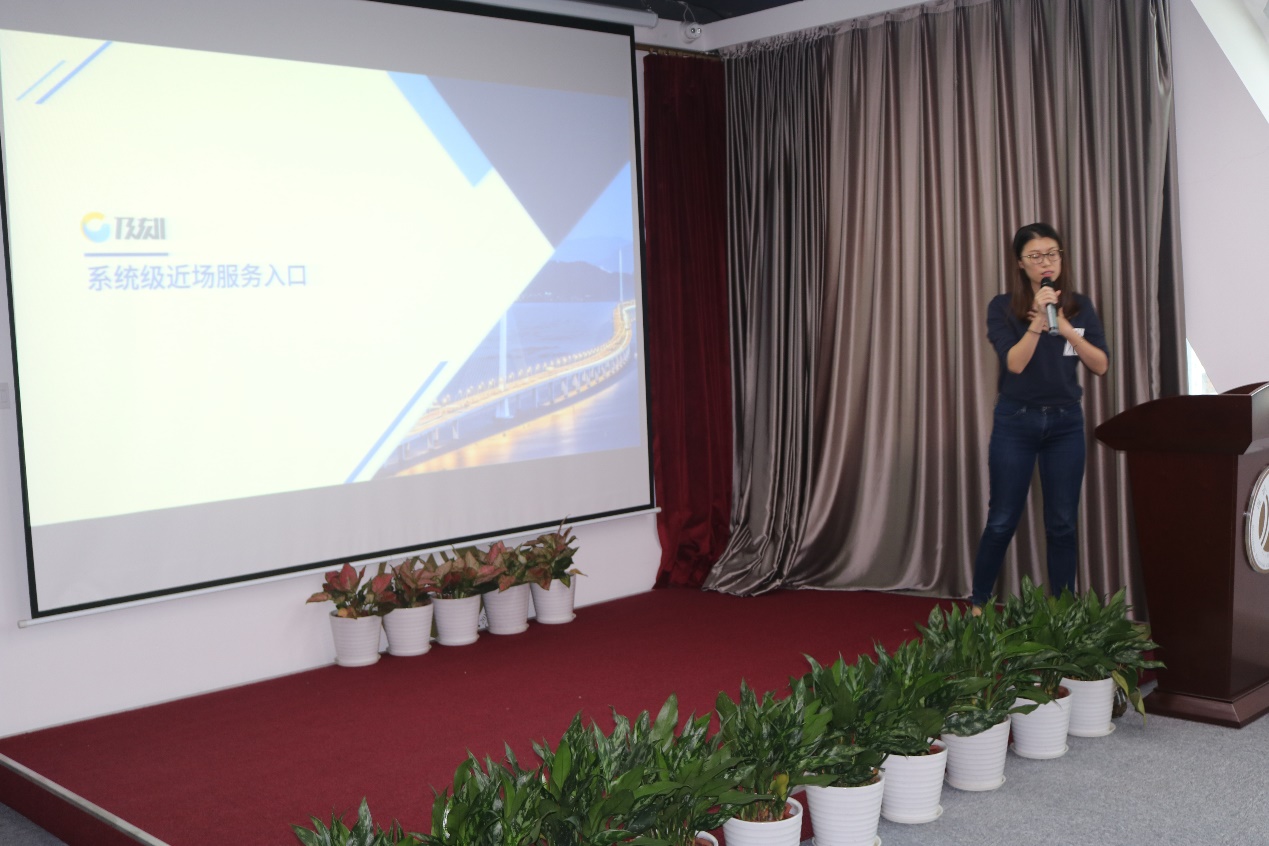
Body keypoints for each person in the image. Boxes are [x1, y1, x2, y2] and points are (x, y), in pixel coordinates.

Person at [970, 222, 1109, 610]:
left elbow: (1100, 365)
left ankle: (1062, 613)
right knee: (1002, 519)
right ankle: (978, 606)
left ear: (1061, 258)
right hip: (1016, 422)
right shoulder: (1002, 307)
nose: (1045, 262)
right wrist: (1036, 324)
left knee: (1062, 523)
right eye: (1035, 256)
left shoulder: (1079, 307)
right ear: (1020, 263)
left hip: (1066, 424)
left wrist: (1066, 329)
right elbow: (1015, 364)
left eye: (1052, 254)